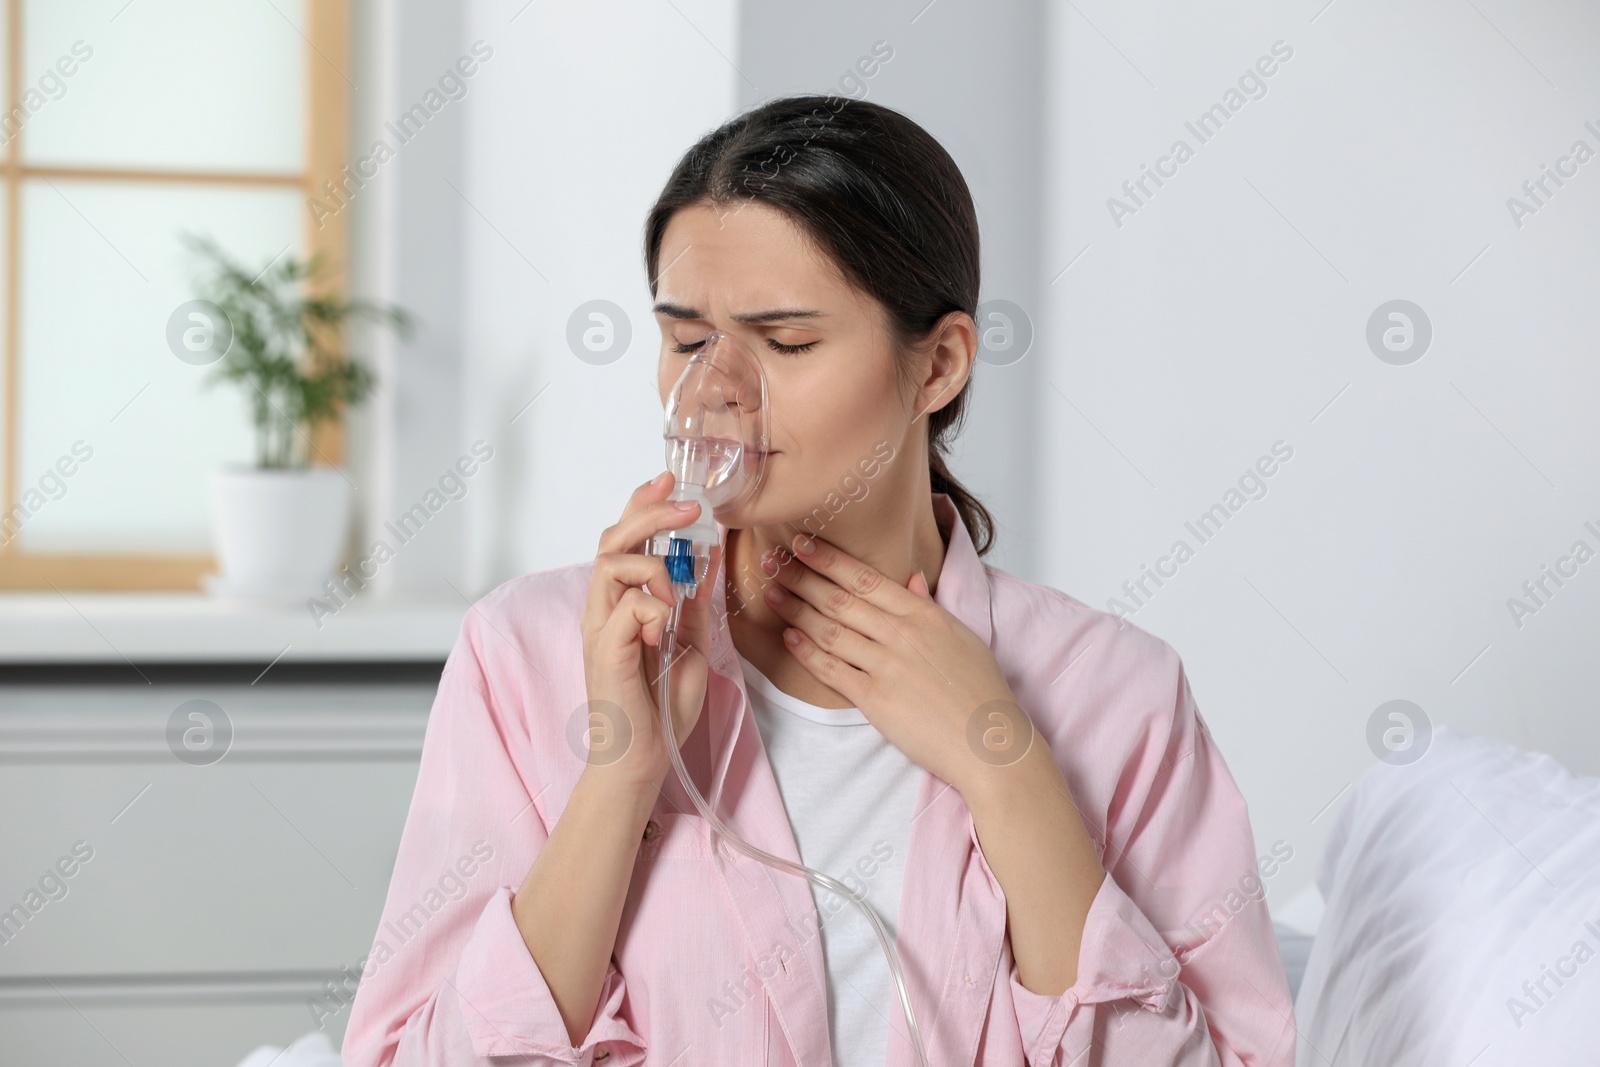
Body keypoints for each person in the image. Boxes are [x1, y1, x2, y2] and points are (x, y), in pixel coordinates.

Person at [343, 94, 1296, 1067]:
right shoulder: (528, 653)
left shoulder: (1114, 692)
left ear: (939, 366)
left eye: (785, 342)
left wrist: (1007, 772)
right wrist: (620, 775)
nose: (712, 389)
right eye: (683, 338)